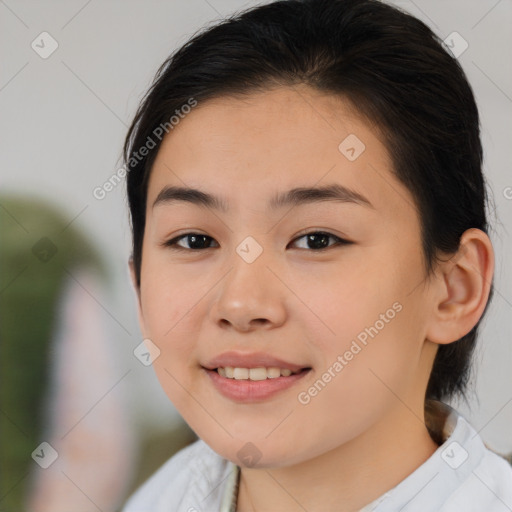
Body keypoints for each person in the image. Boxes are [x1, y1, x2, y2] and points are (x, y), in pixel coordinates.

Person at [120, 0, 512, 510]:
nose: (241, 304)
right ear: (138, 282)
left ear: (454, 290)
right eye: (195, 240)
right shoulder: (165, 496)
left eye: (316, 240)